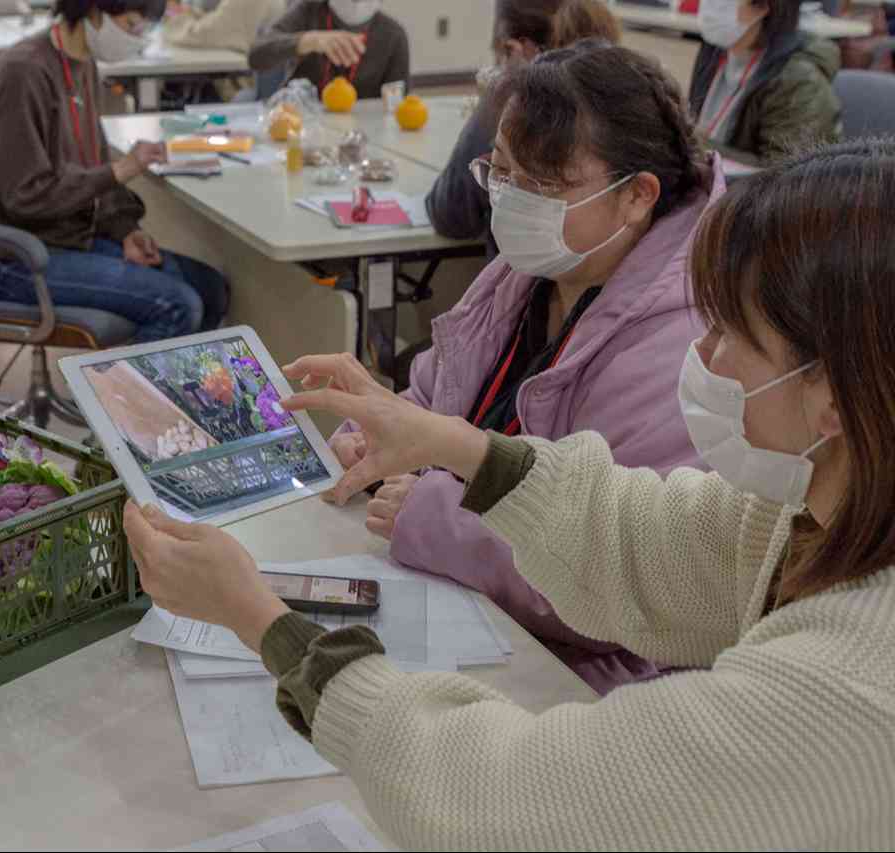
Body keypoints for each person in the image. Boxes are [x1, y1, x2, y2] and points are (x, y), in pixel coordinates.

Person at [124, 138, 895, 849]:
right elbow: (650, 537)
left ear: (835, 391)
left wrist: (257, 617)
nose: (701, 353)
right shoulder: (824, 505)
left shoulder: (848, 696)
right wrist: (455, 445)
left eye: (733, 336)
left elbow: (510, 796)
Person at [342, 42, 721, 694]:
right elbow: (436, 396)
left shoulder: (684, 340)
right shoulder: (531, 271)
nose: (511, 203)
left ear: (637, 195)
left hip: (584, 675)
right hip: (464, 602)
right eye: (504, 174)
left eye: (542, 186)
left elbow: (609, 580)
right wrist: (377, 434)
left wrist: (433, 515)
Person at [0, 0, 229, 342]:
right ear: (93, 12)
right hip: (16, 257)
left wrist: (124, 231)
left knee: (211, 289)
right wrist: (121, 169)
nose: (137, 38)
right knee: (178, 304)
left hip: (71, 237)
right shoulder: (24, 73)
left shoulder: (82, 65)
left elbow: (89, 167)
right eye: (132, 26)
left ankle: (166, 393)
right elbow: (26, 197)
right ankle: (120, 395)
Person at [426, 0, 622, 247]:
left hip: (532, 275)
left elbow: (450, 214)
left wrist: (498, 94)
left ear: (514, 49)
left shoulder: (523, 107)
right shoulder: (630, 90)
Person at [690, 0, 841, 165]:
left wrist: (694, 146)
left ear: (761, 7)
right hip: (714, 180)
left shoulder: (798, 79)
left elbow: (786, 174)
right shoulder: (714, 51)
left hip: (757, 186)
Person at [249, 0, 409, 100]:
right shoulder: (308, 11)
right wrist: (309, 40)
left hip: (361, 130)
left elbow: (398, 100)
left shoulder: (393, 34)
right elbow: (256, 55)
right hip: (303, 122)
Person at [163, 0, 286, 52]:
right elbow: (219, 18)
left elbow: (201, 34)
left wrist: (174, 17)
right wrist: (190, 13)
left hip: (249, 83)